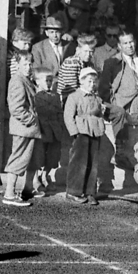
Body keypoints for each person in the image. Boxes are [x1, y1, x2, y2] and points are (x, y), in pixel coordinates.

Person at [62, 67, 115, 205]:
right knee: (79, 163)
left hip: (95, 132)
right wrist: (74, 133)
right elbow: (68, 116)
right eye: (89, 81)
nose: (92, 84)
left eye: (94, 82)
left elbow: (99, 114)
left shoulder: (97, 98)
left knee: (93, 163)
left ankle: (90, 192)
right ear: (82, 82)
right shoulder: (74, 96)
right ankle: (73, 191)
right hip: (81, 132)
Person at [1, 51, 40, 207]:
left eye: (30, 64)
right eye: (25, 64)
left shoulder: (25, 80)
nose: (29, 67)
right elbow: (16, 108)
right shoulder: (17, 81)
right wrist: (31, 120)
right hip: (23, 128)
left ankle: (24, 190)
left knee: (27, 160)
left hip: (27, 129)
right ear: (17, 65)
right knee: (18, 160)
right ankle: (9, 194)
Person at [32, 67, 68, 197]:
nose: (49, 83)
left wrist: (60, 128)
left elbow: (59, 113)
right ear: (37, 82)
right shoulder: (35, 96)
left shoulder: (56, 96)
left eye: (50, 81)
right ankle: (35, 180)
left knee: (53, 156)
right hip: (42, 130)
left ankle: (44, 176)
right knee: (39, 156)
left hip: (54, 131)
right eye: (46, 80)